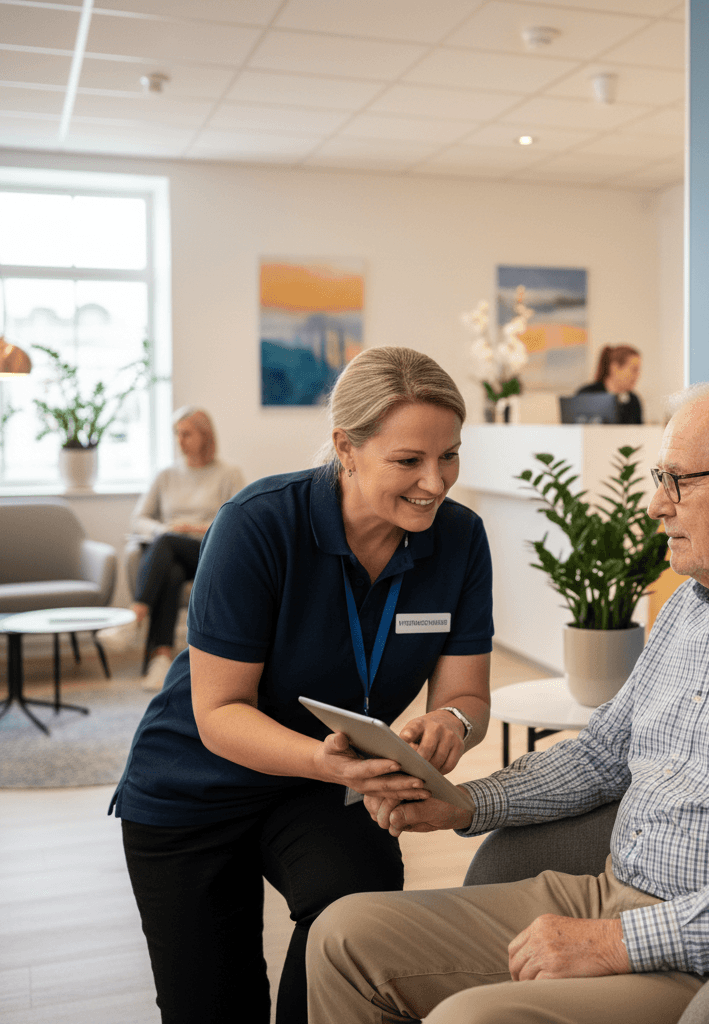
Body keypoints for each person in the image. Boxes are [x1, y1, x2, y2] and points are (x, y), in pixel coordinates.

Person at [306, 374, 709, 1024]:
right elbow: (603, 755)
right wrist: (466, 801)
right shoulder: (691, 608)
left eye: (677, 481)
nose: (655, 506)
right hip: (608, 895)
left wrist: (619, 942)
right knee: (346, 937)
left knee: (472, 1020)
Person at [109, 347, 494, 1024]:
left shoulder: (460, 540)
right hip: (193, 787)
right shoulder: (257, 523)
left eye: (450, 456)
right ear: (347, 448)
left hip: (322, 790)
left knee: (357, 933)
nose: (436, 483)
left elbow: (467, 698)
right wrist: (323, 758)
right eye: (409, 461)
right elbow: (219, 711)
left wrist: (451, 726)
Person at [99, 406, 245, 690]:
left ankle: (135, 617)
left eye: (186, 434)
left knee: (166, 543)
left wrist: (200, 528)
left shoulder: (228, 474)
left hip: (209, 551)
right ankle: (161, 659)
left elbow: (240, 520)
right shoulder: (166, 475)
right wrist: (165, 529)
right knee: (172, 571)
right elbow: (139, 519)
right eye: (177, 434)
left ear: (205, 435)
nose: (179, 440)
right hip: (173, 553)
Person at [575, 344, 643, 423]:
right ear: (614, 368)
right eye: (634, 370)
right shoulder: (587, 394)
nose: (638, 375)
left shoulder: (633, 400)